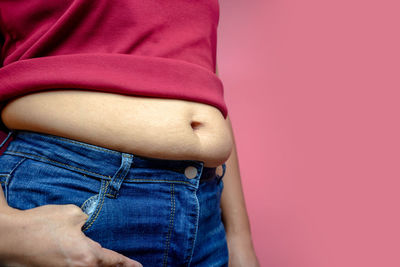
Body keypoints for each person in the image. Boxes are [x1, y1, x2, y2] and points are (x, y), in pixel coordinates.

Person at [0, 1, 259, 266]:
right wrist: (5, 229)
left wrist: (239, 237)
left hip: (207, 215)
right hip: (71, 189)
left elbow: (205, 83)